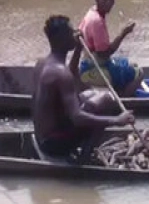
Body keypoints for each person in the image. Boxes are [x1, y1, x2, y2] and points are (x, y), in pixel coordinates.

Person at [33, 15, 133, 161]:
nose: (75, 33)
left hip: (42, 135)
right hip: (53, 143)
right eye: (70, 32)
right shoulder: (60, 72)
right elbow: (77, 118)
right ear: (61, 39)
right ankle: (85, 157)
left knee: (96, 94)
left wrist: (78, 49)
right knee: (107, 100)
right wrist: (117, 120)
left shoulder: (42, 63)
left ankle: (82, 152)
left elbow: (70, 74)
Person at [78, 0, 143, 96]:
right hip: (93, 69)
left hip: (87, 63)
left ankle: (118, 92)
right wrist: (123, 34)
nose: (109, 3)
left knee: (128, 64)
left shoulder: (92, 12)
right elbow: (105, 54)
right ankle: (123, 99)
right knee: (138, 72)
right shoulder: (97, 21)